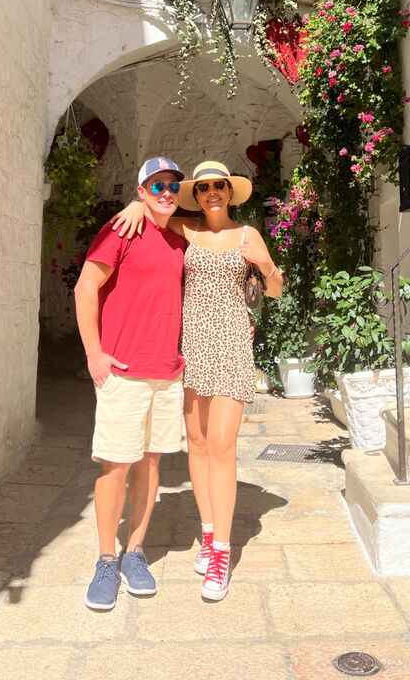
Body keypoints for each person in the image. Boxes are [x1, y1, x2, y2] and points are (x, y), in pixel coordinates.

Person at [112, 160, 283, 601]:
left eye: (218, 187)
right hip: (190, 346)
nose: (211, 193)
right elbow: (154, 211)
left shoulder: (248, 236)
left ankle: (222, 551)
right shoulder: (186, 232)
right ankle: (208, 535)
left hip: (229, 346)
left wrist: (265, 265)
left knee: (223, 446)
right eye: (203, 187)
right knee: (198, 444)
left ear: (229, 192)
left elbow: (277, 289)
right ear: (198, 194)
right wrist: (135, 203)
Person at [74, 156, 187, 611]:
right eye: (156, 187)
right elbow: (85, 289)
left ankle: (134, 552)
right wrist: (93, 353)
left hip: (165, 372)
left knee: (151, 464)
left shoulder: (180, 236)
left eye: (172, 187)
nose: (165, 194)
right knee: (115, 466)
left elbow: (210, 218)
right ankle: (106, 559)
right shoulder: (123, 228)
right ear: (141, 191)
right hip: (123, 370)